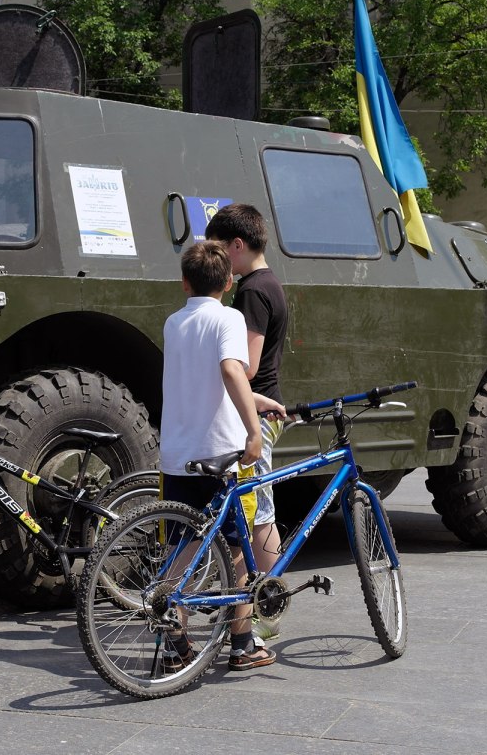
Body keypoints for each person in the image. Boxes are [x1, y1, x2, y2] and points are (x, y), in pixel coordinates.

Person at [160, 240, 285, 672]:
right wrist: (253, 430)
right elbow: (232, 370)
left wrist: (257, 400)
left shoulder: (174, 323)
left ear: (184, 283)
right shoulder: (230, 317)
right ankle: (243, 644)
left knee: (182, 546)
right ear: (229, 282)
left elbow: (202, 380)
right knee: (236, 550)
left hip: (177, 455)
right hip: (221, 454)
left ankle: (173, 639)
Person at [204, 203, 289, 641]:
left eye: (219, 248)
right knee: (258, 512)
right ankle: (257, 608)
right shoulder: (268, 282)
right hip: (263, 408)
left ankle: (262, 614)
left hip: (257, 411)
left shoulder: (253, 291)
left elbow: (248, 366)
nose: (217, 259)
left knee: (258, 516)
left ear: (237, 245)